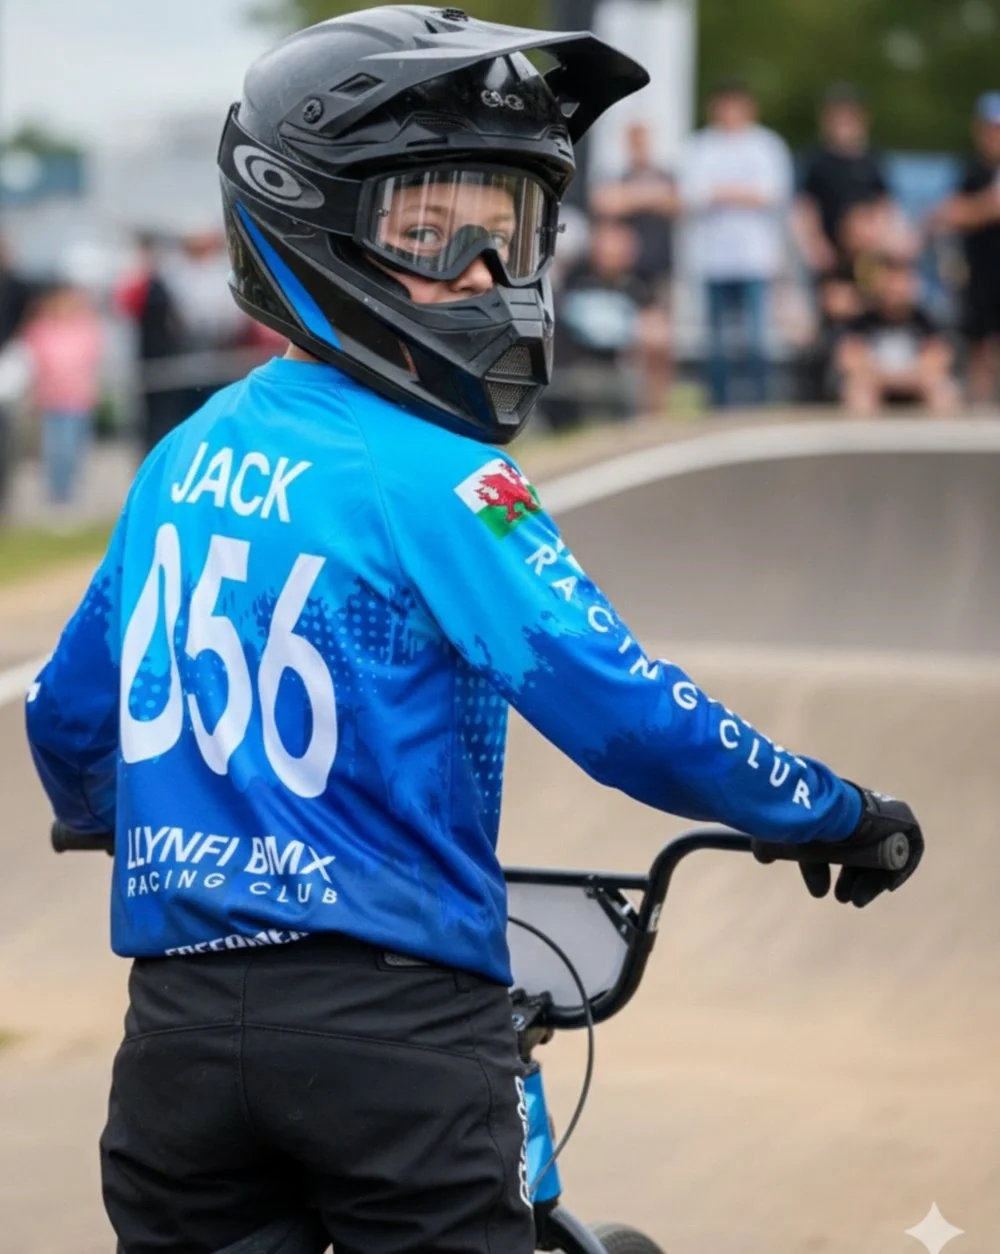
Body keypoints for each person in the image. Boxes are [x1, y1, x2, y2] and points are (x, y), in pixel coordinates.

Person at [24, 10, 924, 1254]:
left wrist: (151, 828)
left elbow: (71, 713)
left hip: (174, 1046)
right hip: (396, 1048)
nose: (482, 273)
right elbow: (621, 711)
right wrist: (833, 810)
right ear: (306, 216)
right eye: (429, 227)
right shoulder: (444, 482)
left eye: (508, 228)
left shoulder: (183, 455)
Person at [679, 79, 794, 407]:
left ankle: (759, 399)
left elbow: (772, 194)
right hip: (713, 257)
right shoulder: (700, 146)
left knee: (757, 335)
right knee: (716, 338)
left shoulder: (767, 145)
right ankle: (720, 401)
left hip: (754, 256)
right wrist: (742, 193)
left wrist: (721, 192)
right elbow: (692, 195)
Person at [553, 216, 671, 425]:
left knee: (657, 339)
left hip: (622, 361)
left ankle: (654, 418)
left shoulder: (638, 284)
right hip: (576, 360)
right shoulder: (576, 278)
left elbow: (655, 325)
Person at [935, 92, 1000, 407]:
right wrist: (987, 207)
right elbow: (949, 214)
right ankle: (980, 406)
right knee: (979, 344)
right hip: (981, 272)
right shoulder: (970, 170)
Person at [836, 255, 958, 416]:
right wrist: (882, 377)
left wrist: (908, 377)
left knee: (943, 390)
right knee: (858, 391)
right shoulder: (863, 321)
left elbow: (939, 358)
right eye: (892, 281)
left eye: (903, 281)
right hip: (875, 382)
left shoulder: (925, 321)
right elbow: (849, 359)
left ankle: (941, 438)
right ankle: (864, 439)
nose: (897, 289)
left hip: (915, 382)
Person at [20, 281, 104, 510]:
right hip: (52, 397)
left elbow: (92, 358)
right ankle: (58, 492)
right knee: (56, 446)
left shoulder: (86, 327)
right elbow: (33, 361)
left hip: (79, 396)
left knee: (76, 445)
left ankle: (71, 489)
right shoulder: (41, 329)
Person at [795, 84, 889, 277]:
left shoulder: (872, 158)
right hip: (830, 250)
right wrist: (816, 243)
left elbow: (883, 202)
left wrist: (877, 236)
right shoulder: (816, 160)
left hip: (867, 250)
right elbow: (806, 206)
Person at [115, 233, 190, 454]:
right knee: (151, 417)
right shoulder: (139, 282)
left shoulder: (167, 281)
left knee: (167, 413)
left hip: (167, 356)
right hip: (148, 356)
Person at [591, 120, 677, 291]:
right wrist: (653, 196)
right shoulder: (619, 175)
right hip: (627, 265)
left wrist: (629, 197)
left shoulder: (666, 174)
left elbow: (675, 203)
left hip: (659, 264)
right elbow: (605, 203)